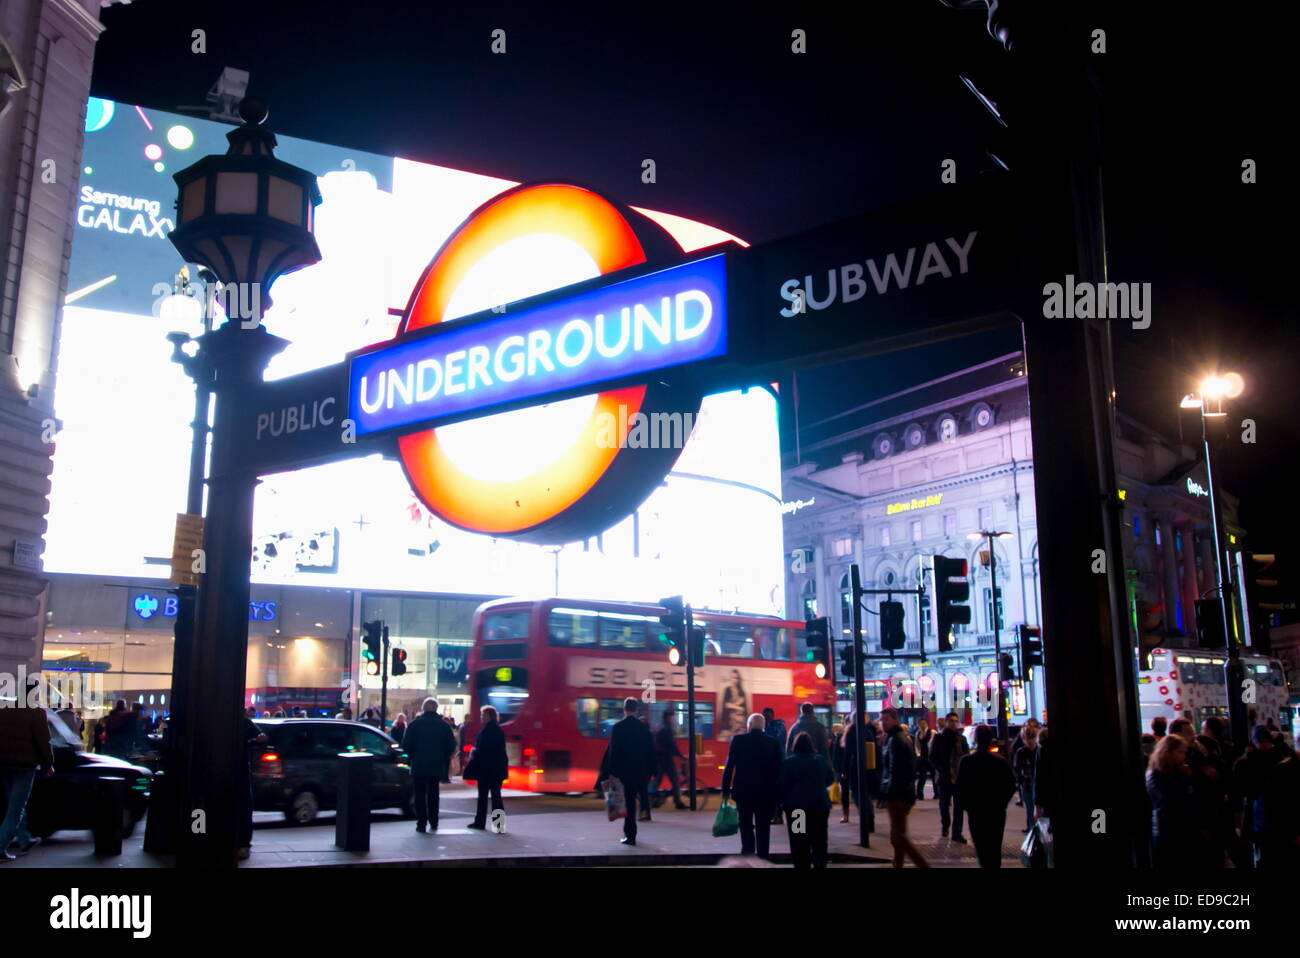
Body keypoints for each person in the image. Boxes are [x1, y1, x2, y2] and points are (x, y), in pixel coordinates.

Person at [0, 681, 55, 861]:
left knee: (12, 805)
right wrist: (48, 765)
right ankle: (0, 847)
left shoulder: (4, 709)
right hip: (24, 767)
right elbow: (44, 743)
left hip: (3, 764)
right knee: (15, 808)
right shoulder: (37, 713)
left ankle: (25, 839)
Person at [721, 713, 782, 859]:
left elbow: (729, 766)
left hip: (743, 791)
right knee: (763, 826)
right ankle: (763, 856)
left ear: (749, 726)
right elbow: (778, 770)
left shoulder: (738, 740)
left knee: (745, 824)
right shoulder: (773, 743)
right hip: (766, 793)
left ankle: (748, 853)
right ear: (763, 727)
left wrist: (725, 789)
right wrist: (779, 793)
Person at [596, 698, 657, 845]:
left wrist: (612, 772)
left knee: (628, 802)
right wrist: (652, 771)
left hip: (624, 772)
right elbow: (650, 751)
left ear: (624, 709)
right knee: (635, 800)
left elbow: (614, 752)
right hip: (640, 772)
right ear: (636, 710)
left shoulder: (618, 727)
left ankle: (630, 835)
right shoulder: (643, 728)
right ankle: (633, 831)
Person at [957, 724, 1017, 868]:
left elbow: (960, 787)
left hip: (976, 811)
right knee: (994, 848)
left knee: (982, 849)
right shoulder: (1000, 762)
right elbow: (1010, 785)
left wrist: (967, 806)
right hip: (996, 811)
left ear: (976, 739)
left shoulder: (966, 761)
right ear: (991, 740)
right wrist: (1002, 803)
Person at [880, 707, 928, 868]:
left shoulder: (896, 740)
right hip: (903, 792)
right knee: (897, 837)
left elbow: (895, 770)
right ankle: (897, 864)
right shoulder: (899, 738)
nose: (882, 723)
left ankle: (923, 865)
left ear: (894, 719)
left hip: (898, 795)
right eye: (881, 720)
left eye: (885, 719)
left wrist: (889, 793)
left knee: (899, 837)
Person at [402, 698, 456, 833]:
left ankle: (421, 823)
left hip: (418, 765)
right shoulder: (444, 726)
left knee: (419, 795)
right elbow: (451, 745)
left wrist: (413, 756)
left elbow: (406, 745)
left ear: (424, 708)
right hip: (436, 765)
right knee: (433, 794)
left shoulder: (414, 725)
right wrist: (443, 757)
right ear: (436, 709)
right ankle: (434, 821)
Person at [780, 732, 834, 868]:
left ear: (795, 746)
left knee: (799, 842)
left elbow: (782, 784)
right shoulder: (820, 760)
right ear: (811, 745)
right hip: (819, 806)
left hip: (797, 809)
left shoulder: (789, 762)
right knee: (819, 840)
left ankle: (801, 865)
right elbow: (830, 779)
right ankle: (819, 863)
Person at [1146, 733, 1199, 868]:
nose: (1183, 756)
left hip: (1183, 828)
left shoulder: (1178, 771)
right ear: (1167, 752)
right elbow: (1168, 800)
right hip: (1167, 830)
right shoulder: (1156, 774)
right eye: (1180, 752)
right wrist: (1183, 779)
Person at [1233, 725, 1282, 864]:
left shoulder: (1245, 761)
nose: (1265, 745)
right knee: (1263, 850)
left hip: (1258, 811)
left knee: (1261, 850)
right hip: (1262, 811)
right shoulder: (1274, 758)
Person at [466, 706, 508, 831]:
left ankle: (480, 822)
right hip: (497, 769)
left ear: (489, 716)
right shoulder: (497, 729)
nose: (481, 717)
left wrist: (474, 751)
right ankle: (499, 825)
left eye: (483, 715)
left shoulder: (488, 730)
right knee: (496, 797)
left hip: (486, 768)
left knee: (483, 796)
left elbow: (485, 749)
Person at [930, 712, 968, 842]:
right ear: (946, 722)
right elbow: (933, 756)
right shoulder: (939, 738)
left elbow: (966, 757)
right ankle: (945, 825)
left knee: (959, 807)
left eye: (956, 721)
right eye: (951, 721)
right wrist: (941, 769)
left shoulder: (961, 739)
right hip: (944, 777)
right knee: (944, 805)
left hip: (958, 779)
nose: (954, 723)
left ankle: (957, 833)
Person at [237, 710, 268, 861]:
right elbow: (261, 738)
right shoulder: (244, 722)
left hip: (232, 770)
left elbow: (261, 737)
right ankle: (243, 844)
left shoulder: (240, 722)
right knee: (243, 807)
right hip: (240, 769)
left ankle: (200, 833)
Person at [840, 712, 875, 833]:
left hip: (855, 767)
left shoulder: (851, 732)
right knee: (866, 794)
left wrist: (844, 770)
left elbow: (848, 753)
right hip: (869, 767)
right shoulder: (868, 732)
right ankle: (870, 817)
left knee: (857, 793)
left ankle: (866, 816)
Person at [653, 711, 687, 810]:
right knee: (675, 781)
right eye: (672, 717)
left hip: (659, 759)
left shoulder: (660, 727)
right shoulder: (667, 729)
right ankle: (677, 802)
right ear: (668, 718)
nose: (674, 719)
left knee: (657, 781)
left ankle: (652, 798)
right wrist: (681, 756)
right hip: (666, 759)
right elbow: (672, 745)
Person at [1011, 723, 1038, 832]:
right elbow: (1017, 770)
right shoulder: (1021, 752)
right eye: (1027, 739)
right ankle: (1033, 832)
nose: (1030, 741)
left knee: (1037, 811)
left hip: (1038, 785)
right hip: (1027, 786)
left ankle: (1035, 830)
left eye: (1032, 738)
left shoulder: (1039, 751)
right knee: (1031, 811)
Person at [719, 670, 748, 741]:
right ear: (730, 678)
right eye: (732, 677)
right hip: (729, 722)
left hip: (740, 723)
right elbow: (726, 705)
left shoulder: (742, 692)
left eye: (736, 678)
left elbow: (744, 709)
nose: (734, 680)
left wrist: (733, 705)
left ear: (738, 679)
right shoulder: (727, 690)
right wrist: (738, 706)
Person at [830, 722, 851, 823]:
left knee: (845, 792)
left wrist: (836, 769)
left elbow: (835, 756)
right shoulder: (850, 737)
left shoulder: (838, 738)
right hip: (851, 768)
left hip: (842, 770)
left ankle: (845, 815)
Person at [914, 718, 935, 800]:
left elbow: (934, 743)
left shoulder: (932, 732)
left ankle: (936, 793)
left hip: (931, 757)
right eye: (920, 724)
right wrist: (918, 754)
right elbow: (917, 745)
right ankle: (920, 794)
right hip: (923, 757)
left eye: (924, 723)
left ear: (926, 724)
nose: (922, 725)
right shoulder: (918, 733)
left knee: (934, 776)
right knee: (922, 776)